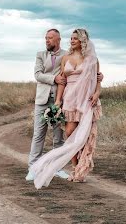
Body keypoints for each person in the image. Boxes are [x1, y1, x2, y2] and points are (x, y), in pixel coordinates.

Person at [29, 28, 102, 187]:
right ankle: (75, 167)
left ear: (82, 41)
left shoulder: (92, 60)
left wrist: (97, 94)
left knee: (84, 136)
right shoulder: (66, 58)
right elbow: (61, 81)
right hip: (69, 99)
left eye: (75, 38)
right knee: (69, 133)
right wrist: (58, 101)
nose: (72, 40)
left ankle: (80, 168)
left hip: (85, 100)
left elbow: (98, 79)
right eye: (71, 38)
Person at [25, 28, 67, 181]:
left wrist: (98, 75)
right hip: (42, 100)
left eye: (50, 38)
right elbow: (37, 75)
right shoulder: (40, 55)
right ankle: (33, 168)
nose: (47, 40)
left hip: (59, 100)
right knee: (38, 134)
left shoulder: (66, 55)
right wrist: (54, 79)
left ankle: (58, 168)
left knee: (58, 137)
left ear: (58, 39)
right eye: (46, 38)